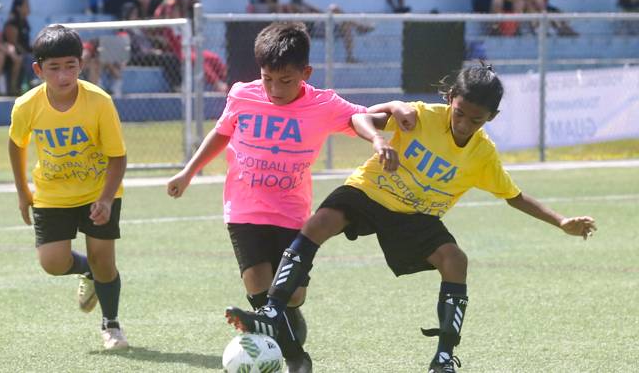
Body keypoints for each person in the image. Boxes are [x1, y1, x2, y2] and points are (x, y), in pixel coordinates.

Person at [224, 64, 597, 373]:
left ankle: (445, 357)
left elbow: (515, 197)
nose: (464, 124)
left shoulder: (483, 155)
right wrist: (379, 140)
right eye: (460, 113)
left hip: (416, 214)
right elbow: (362, 118)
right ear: (450, 100)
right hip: (370, 190)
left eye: (476, 120)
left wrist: (561, 221)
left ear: (491, 118)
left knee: (455, 260)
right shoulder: (420, 115)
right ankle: (273, 310)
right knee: (317, 224)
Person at [166, 22, 415, 373]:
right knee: (256, 284)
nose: (275, 88)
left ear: (305, 73)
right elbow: (222, 133)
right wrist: (188, 172)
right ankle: (297, 357)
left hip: (291, 213)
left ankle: (285, 315)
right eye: (268, 78)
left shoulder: (323, 104)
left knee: (292, 295)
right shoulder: (242, 94)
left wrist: (394, 111)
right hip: (243, 208)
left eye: (285, 80)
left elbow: (362, 116)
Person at [8, 25, 129, 350]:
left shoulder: (99, 102)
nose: (63, 75)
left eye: (70, 66)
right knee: (52, 262)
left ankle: (112, 325)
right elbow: (16, 144)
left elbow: (117, 157)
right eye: (54, 68)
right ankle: (87, 271)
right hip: (52, 194)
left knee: (105, 259)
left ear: (82, 62)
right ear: (38, 69)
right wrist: (23, 192)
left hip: (98, 192)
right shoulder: (26, 105)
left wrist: (105, 199)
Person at [282, 0, 375, 63]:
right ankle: (359, 27)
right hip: (311, 31)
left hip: (320, 26)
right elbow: (302, 19)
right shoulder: (291, 5)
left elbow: (320, 13)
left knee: (344, 22)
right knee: (334, 9)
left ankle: (350, 57)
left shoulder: (304, 4)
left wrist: (324, 17)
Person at [3, 0, 36, 92]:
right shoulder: (12, 22)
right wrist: (26, 53)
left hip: (24, 51)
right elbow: (13, 43)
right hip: (12, 54)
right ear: (18, 8)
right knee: (28, 59)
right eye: (26, 6)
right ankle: (18, 88)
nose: (29, 8)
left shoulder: (25, 22)